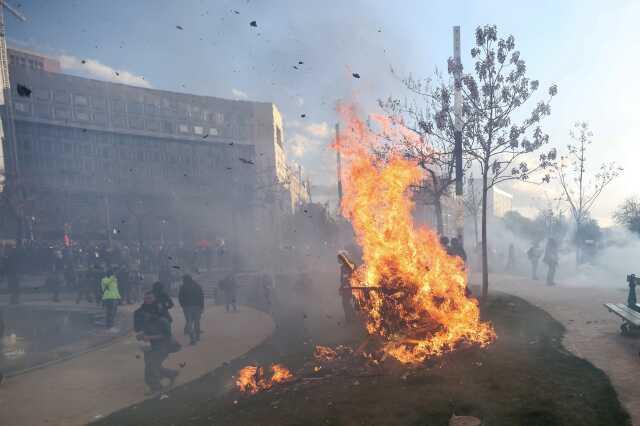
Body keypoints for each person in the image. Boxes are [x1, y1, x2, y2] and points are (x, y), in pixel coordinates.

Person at [135, 292, 179, 395]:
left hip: (163, 346)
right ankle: (171, 374)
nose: (146, 315)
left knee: (150, 368)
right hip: (152, 346)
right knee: (152, 365)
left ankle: (156, 387)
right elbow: (144, 330)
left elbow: (167, 336)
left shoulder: (163, 320)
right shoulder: (147, 319)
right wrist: (142, 335)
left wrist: (149, 337)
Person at [178, 275, 204, 345]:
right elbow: (201, 296)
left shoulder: (183, 287)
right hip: (197, 306)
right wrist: (202, 306)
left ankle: (192, 337)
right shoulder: (197, 286)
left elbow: (180, 297)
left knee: (189, 322)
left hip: (187, 307)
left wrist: (183, 305)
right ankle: (197, 336)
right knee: (197, 322)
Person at [337, 251, 356, 324]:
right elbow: (342, 279)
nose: (338, 260)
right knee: (345, 303)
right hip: (346, 288)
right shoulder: (342, 267)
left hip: (353, 287)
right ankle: (350, 318)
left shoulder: (352, 265)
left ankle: (352, 318)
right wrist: (341, 287)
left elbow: (354, 276)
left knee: (351, 303)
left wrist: (350, 285)